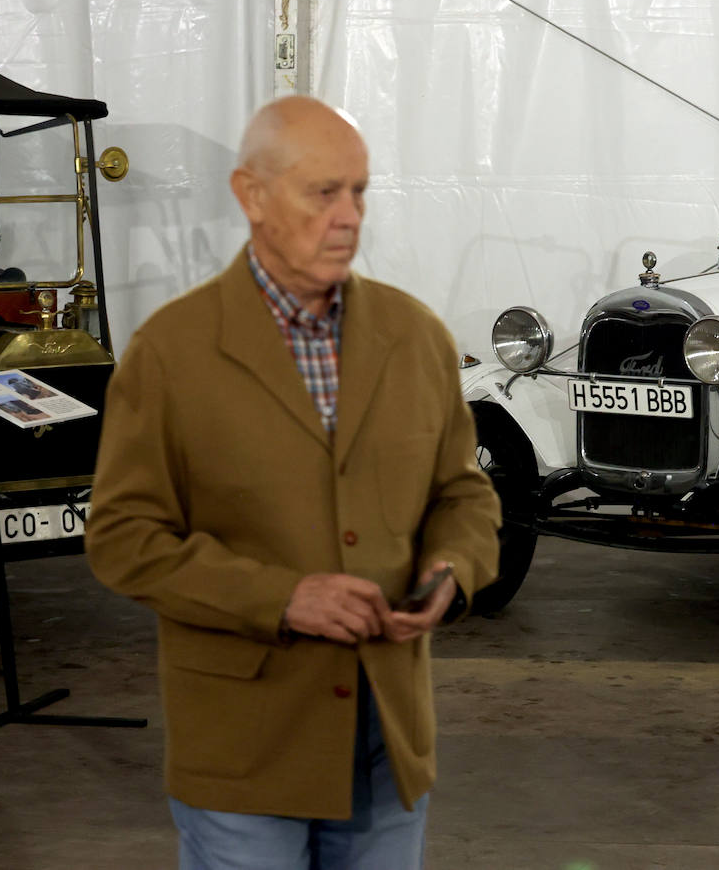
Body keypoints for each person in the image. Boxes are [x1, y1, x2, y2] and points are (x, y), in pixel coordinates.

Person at [85, 96, 501, 869]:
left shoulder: (415, 337)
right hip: (245, 747)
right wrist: (280, 597)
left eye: (359, 191)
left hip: (386, 742)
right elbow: (122, 538)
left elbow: (462, 493)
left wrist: (453, 570)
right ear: (251, 196)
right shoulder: (171, 352)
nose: (348, 216)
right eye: (323, 192)